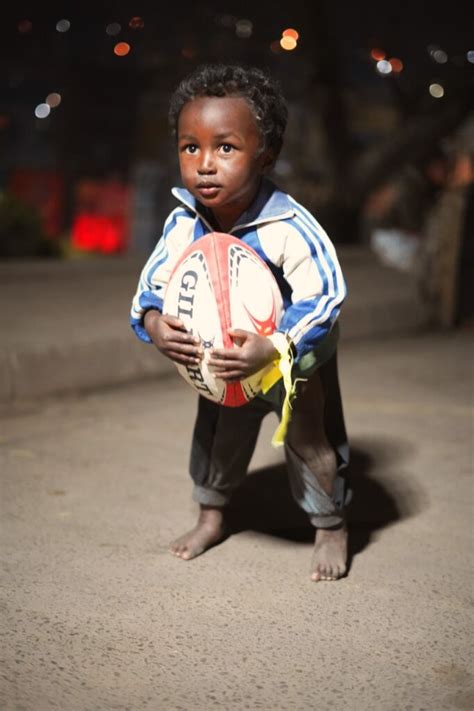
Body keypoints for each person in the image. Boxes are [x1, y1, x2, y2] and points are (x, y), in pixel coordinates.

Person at [130, 64, 351, 582]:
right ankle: (211, 516)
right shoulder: (185, 220)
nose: (205, 164)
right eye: (191, 148)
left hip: (293, 365)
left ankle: (331, 523)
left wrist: (274, 346)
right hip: (224, 364)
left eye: (225, 148)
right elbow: (151, 287)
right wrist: (155, 322)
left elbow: (326, 295)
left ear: (265, 156)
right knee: (215, 438)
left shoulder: (288, 225)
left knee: (311, 440)